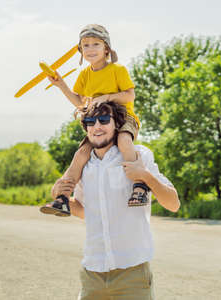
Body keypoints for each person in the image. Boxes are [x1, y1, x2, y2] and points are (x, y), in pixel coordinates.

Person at [52, 101, 180, 299]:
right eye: (90, 121)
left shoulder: (138, 155)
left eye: (104, 119)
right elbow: (86, 211)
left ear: (117, 124)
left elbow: (173, 204)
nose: (97, 126)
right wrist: (61, 196)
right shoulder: (84, 167)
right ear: (85, 127)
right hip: (92, 273)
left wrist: (145, 176)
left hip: (132, 274)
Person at [40, 24, 149, 217]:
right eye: (86, 45)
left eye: (95, 44)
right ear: (80, 50)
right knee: (81, 153)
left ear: (106, 48)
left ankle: (139, 185)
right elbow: (79, 102)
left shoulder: (117, 69)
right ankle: (63, 198)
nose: (90, 49)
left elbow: (130, 96)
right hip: (99, 121)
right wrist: (61, 84)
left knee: (124, 140)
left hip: (123, 117)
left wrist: (106, 97)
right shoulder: (84, 75)